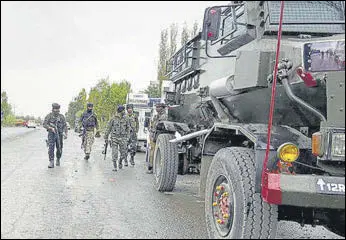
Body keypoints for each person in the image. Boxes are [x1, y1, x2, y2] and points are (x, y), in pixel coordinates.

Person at [104, 105, 131, 171]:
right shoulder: (113, 118)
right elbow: (108, 128)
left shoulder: (126, 118)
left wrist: (128, 137)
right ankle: (115, 166)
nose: (124, 111)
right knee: (114, 152)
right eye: (123, 110)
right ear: (120, 111)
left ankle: (120, 161)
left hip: (123, 137)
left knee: (124, 153)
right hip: (114, 137)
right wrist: (106, 137)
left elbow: (128, 128)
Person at [43, 103, 68, 168]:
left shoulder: (61, 117)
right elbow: (44, 124)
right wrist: (50, 128)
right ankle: (51, 161)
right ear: (53, 109)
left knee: (59, 148)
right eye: (55, 109)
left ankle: (58, 159)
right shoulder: (49, 116)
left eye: (57, 109)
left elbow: (65, 125)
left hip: (60, 134)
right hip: (51, 134)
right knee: (51, 148)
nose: (56, 110)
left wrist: (65, 133)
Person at [147, 103, 168, 174]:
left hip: (160, 136)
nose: (157, 108)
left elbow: (160, 126)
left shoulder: (164, 116)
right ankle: (151, 167)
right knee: (152, 151)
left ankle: (155, 168)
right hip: (154, 136)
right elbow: (152, 125)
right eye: (156, 107)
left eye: (158, 107)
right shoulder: (156, 116)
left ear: (163, 108)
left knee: (158, 152)